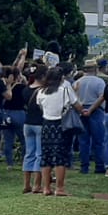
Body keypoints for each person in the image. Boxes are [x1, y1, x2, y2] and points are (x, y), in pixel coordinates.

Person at [34, 67, 83, 196]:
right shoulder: (65, 90)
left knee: (46, 156)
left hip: (46, 125)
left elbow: (40, 106)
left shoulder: (41, 92)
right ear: (61, 78)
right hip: (61, 125)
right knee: (60, 156)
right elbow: (78, 106)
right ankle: (59, 188)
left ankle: (46, 187)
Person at [74, 60, 107, 175]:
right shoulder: (99, 82)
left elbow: (73, 98)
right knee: (99, 141)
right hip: (96, 110)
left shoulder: (78, 82)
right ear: (96, 69)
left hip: (81, 110)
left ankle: (84, 167)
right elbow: (102, 97)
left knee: (83, 141)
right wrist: (91, 109)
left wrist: (81, 110)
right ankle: (99, 166)